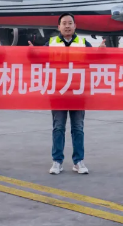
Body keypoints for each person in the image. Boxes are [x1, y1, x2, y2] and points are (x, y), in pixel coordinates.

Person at [42, 13, 94, 175]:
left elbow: (97, 61)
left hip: (78, 92)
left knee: (78, 128)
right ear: (58, 27)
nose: (67, 26)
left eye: (70, 23)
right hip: (58, 92)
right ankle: (57, 161)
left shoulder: (84, 43)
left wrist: (102, 51)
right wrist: (31, 52)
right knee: (58, 128)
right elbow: (37, 60)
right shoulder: (50, 43)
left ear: (75, 26)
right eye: (64, 23)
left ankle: (78, 161)